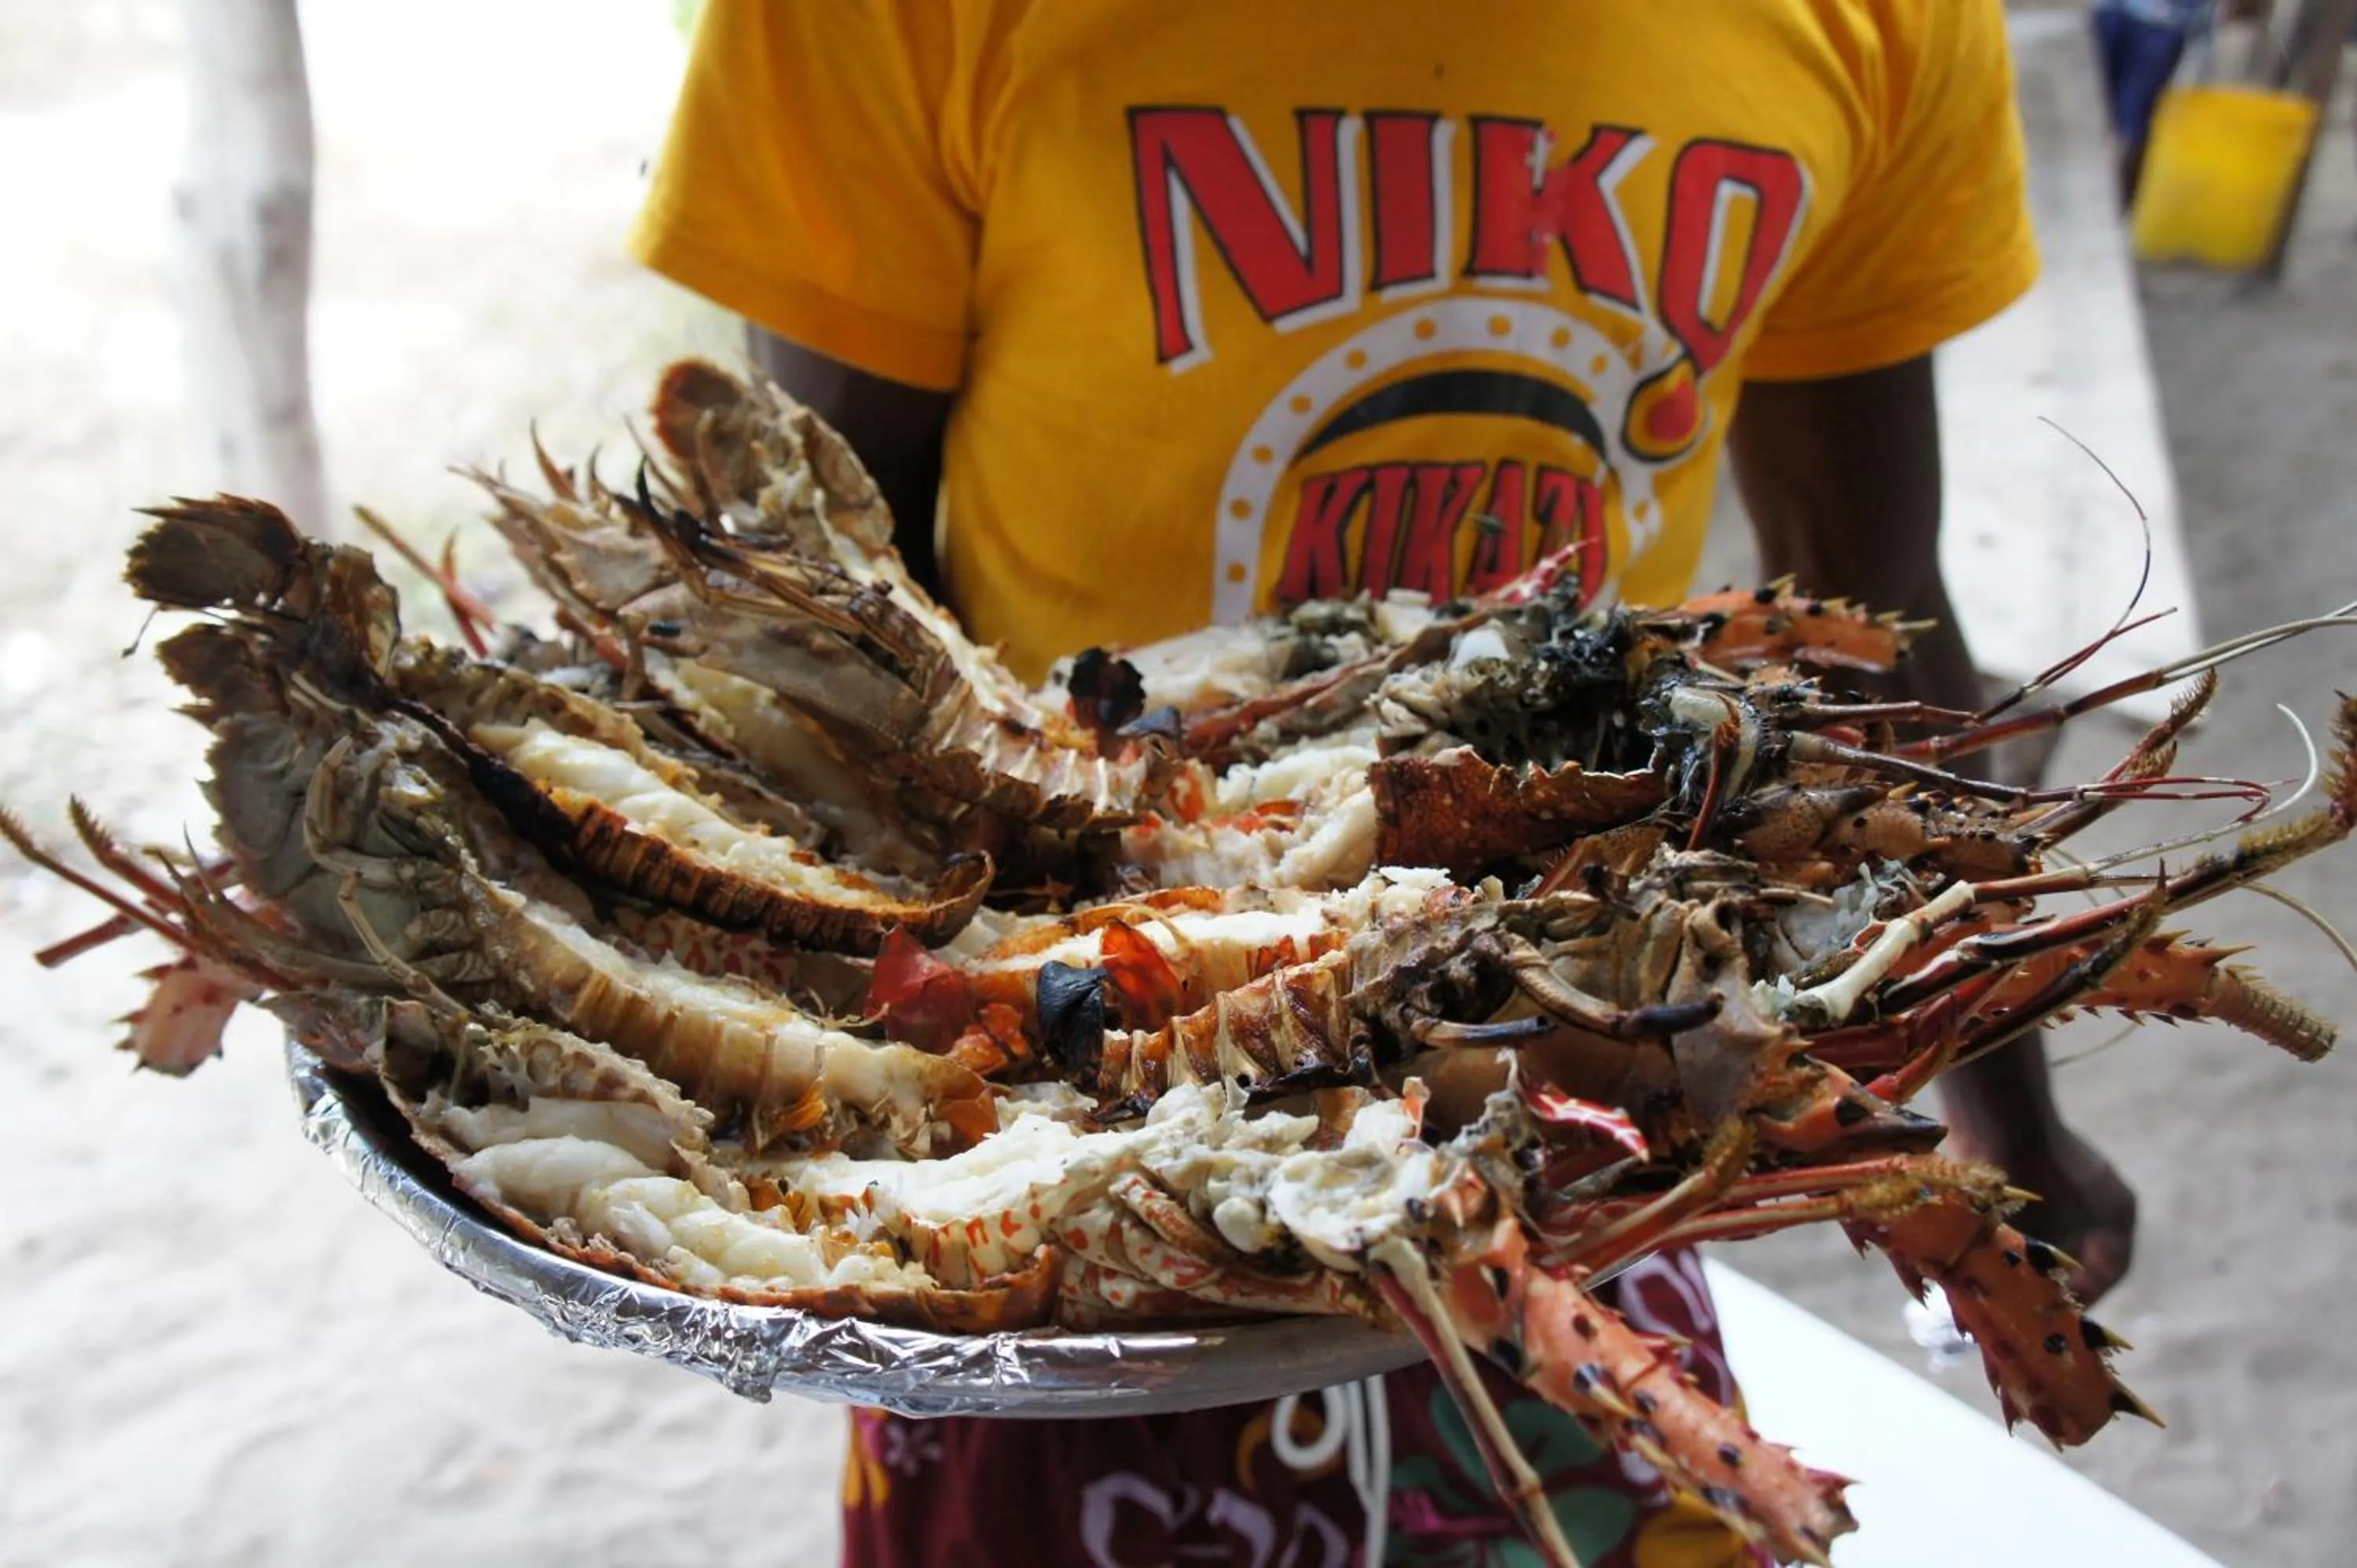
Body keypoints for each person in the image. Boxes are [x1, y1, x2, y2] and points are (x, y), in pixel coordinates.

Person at [629, 3, 2138, 1563]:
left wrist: (2007, 1121)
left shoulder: (1878, 24)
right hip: (1049, 1092)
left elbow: (1867, 594)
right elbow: (826, 613)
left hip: (1562, 1058)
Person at [2092, 0, 2212, 207]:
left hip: (2165, 22)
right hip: (2116, 12)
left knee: (2134, 122)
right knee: (2108, 110)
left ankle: (2122, 204)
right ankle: (2115, 203)